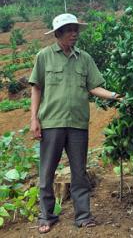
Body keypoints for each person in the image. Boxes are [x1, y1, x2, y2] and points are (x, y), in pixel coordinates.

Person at [29, 13, 121, 233]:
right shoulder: (44, 56)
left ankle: (83, 216)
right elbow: (36, 88)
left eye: (76, 30)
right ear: (58, 33)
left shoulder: (85, 58)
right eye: (70, 30)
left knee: (79, 172)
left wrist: (115, 95)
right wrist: (34, 119)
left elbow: (93, 87)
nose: (74, 34)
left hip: (78, 123)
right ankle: (46, 216)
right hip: (51, 122)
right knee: (47, 171)